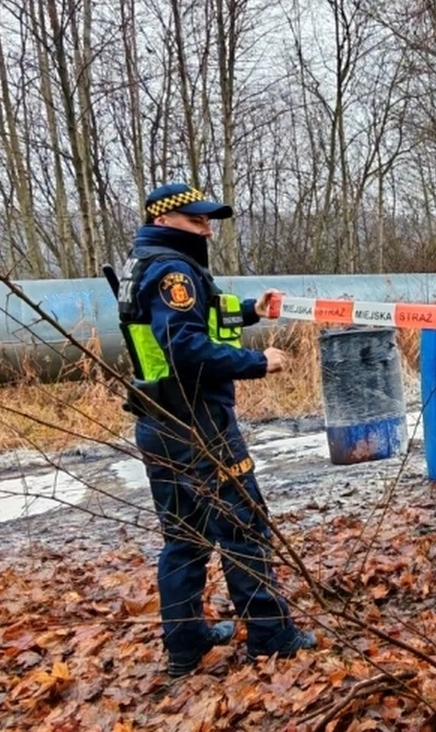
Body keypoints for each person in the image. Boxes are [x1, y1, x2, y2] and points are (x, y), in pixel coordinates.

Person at [110, 182, 316, 677]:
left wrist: (251, 311)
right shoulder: (173, 271)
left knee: (184, 537)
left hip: (159, 419)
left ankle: (186, 644)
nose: (207, 230)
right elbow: (186, 347)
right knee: (243, 524)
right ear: (164, 221)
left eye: (208, 221)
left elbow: (197, 320)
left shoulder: (146, 263)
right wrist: (256, 362)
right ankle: (270, 636)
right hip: (199, 423)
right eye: (196, 221)